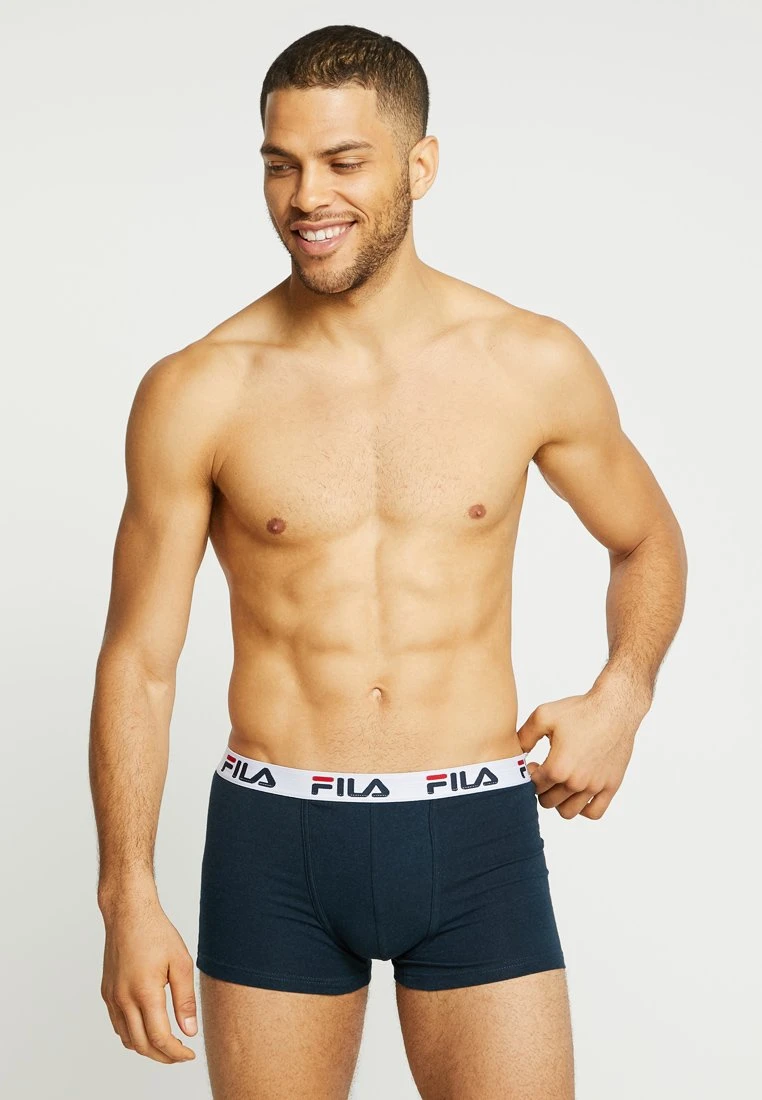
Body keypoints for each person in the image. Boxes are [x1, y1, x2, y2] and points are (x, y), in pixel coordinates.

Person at [89, 23, 688, 1099]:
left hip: (476, 836)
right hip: (274, 843)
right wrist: (125, 892)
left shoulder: (528, 360)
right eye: (281, 164)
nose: (306, 197)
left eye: (342, 161)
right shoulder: (199, 388)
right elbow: (139, 659)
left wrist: (624, 692)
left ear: (421, 165)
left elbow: (645, 537)